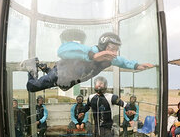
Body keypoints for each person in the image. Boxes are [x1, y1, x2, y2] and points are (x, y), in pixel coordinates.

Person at [23, 30, 153, 93]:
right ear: (103, 46)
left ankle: (44, 67)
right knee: (32, 87)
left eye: (116, 50)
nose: (113, 53)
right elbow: (62, 50)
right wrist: (92, 55)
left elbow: (123, 62)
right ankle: (32, 65)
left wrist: (137, 65)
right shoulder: (89, 51)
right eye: (111, 49)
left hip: (69, 81)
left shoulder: (109, 60)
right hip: (60, 74)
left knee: (64, 87)